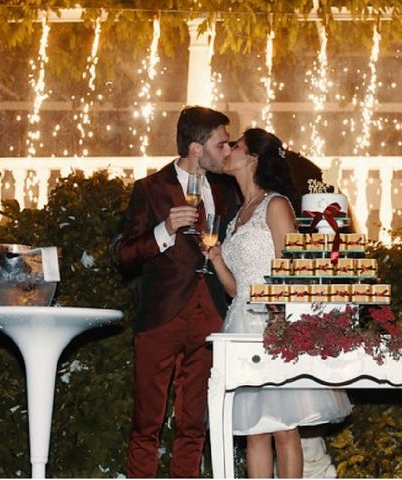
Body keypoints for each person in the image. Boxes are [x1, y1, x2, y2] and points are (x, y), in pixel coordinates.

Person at [207, 128, 352, 478]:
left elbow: (293, 268)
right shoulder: (239, 215)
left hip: (272, 322)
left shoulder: (276, 204)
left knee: (285, 427)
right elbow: (233, 289)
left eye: (235, 146)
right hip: (241, 324)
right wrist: (215, 258)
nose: (227, 151)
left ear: (252, 158)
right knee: (256, 430)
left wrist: (282, 318)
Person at [114, 106, 239, 478]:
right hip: (162, 315)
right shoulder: (151, 189)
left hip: (212, 314)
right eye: (222, 143)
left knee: (193, 424)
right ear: (197, 148)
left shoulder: (227, 189)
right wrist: (163, 231)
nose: (228, 150)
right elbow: (122, 255)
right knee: (147, 422)